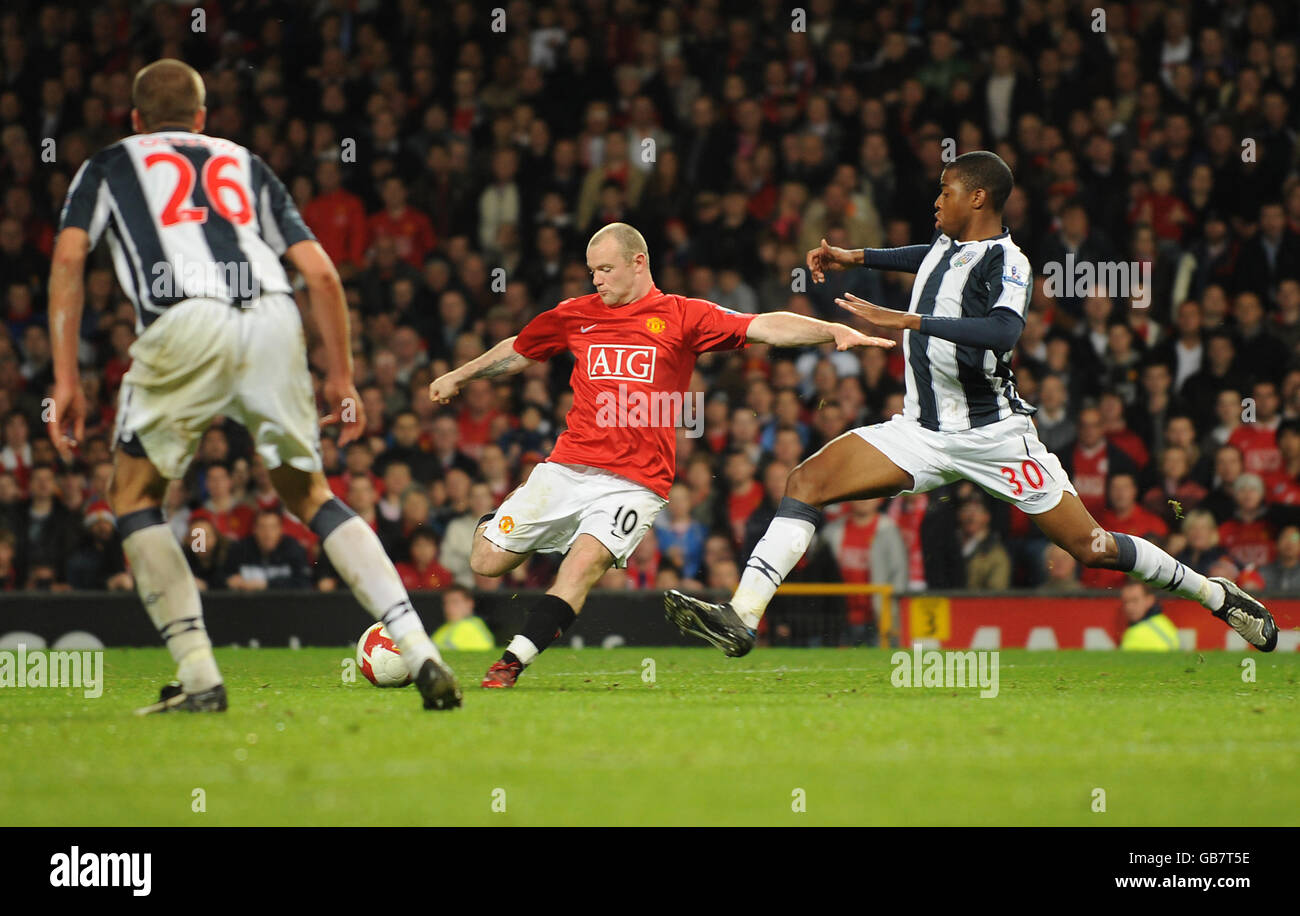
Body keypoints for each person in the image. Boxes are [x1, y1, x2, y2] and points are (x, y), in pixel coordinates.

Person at [665, 150, 1278, 656]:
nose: (936, 201)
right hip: (923, 430)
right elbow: (920, 257)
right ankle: (742, 617)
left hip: (995, 436)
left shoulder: (1008, 261)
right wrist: (855, 256)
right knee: (806, 479)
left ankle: (1215, 595)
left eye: (946, 191)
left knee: (1091, 548)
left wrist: (907, 318)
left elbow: (1004, 332)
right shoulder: (945, 245)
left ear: (978, 198)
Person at [45, 59, 460, 713]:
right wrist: (342, 375)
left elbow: (69, 257)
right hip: (271, 315)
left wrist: (66, 378)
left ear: (133, 120)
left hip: (182, 317)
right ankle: (421, 647)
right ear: (203, 119)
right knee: (311, 493)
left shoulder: (110, 164)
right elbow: (321, 275)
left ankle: (201, 677)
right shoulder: (243, 162)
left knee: (132, 496)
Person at [428, 221, 893, 686]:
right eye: (592, 271)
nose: (597, 280)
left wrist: (831, 329)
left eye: (605, 269)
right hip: (568, 468)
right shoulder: (575, 314)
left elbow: (764, 325)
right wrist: (459, 376)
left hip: (636, 483)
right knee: (485, 563)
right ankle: (501, 518)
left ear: (638, 262)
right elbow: (520, 349)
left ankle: (510, 663)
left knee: (583, 564)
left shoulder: (681, 315)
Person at [432, 585, 496, 651]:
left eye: (454, 602)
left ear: (470, 604)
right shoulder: (444, 628)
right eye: (446, 603)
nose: (448, 607)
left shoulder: (470, 627)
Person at [1118, 582, 1180, 651]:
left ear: (1149, 600)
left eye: (1135, 600)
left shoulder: (1134, 633)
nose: (1129, 607)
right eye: (1126, 602)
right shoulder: (1164, 622)